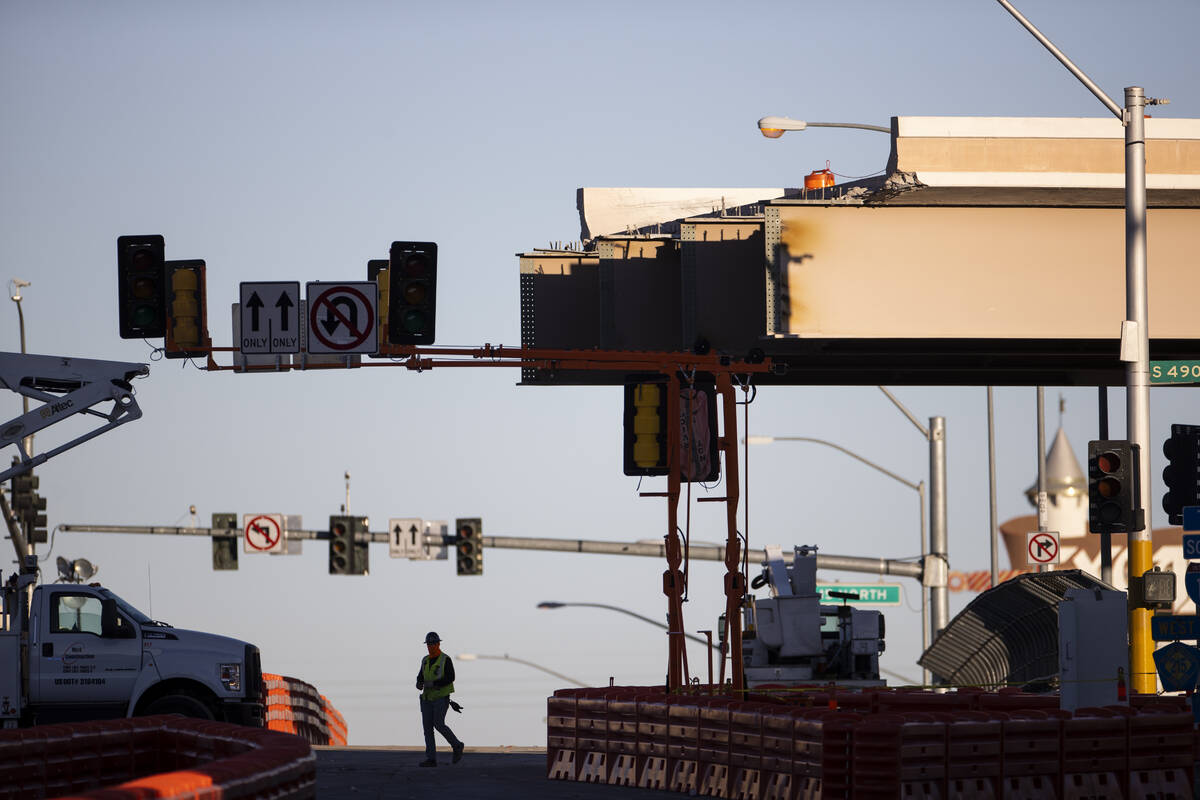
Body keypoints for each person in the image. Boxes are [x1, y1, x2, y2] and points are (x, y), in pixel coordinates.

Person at [416, 631, 464, 767]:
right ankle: (431, 758)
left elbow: (451, 677)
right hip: (426, 698)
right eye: (429, 644)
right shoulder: (425, 660)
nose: (430, 646)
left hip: (441, 698)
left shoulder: (445, 659)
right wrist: (419, 682)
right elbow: (420, 675)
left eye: (433, 644)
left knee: (438, 724)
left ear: (438, 644)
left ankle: (457, 745)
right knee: (427, 728)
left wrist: (435, 684)